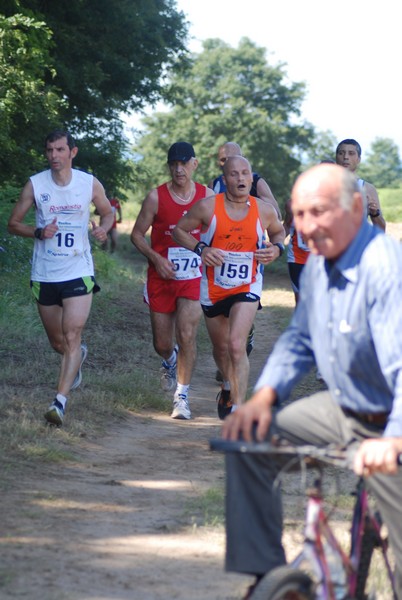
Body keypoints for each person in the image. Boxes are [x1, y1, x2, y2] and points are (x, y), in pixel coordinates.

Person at [221, 163, 402, 599]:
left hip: (393, 419)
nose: (305, 226)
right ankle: (270, 580)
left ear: (356, 208)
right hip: (345, 408)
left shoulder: (385, 267)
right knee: (250, 440)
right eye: (298, 214)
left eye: (318, 211)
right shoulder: (320, 264)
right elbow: (301, 338)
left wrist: (392, 440)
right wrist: (263, 397)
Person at [8, 129, 114, 426]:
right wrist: (39, 232)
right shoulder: (36, 185)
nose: (54, 156)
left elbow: (107, 213)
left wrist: (103, 229)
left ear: (72, 152)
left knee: (71, 333)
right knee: (60, 343)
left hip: (79, 270)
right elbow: (13, 224)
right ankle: (76, 356)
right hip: (44, 273)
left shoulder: (88, 183)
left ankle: (59, 402)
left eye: (59, 150)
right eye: (49, 150)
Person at [173, 155, 286, 420]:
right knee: (222, 348)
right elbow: (179, 231)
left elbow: (279, 233)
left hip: (248, 284)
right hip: (213, 287)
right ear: (225, 180)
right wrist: (201, 249)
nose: (240, 179)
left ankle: (238, 411)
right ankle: (227, 383)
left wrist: (276, 249)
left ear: (251, 178)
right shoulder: (206, 207)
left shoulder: (264, 209)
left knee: (236, 345)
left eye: (245, 173)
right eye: (234, 174)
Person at [130, 142, 213, 420]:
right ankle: (169, 360)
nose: (179, 169)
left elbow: (220, 231)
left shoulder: (207, 197)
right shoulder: (156, 197)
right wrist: (156, 258)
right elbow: (137, 235)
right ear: (169, 166)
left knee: (187, 334)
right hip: (161, 276)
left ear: (194, 164)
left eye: (184, 163)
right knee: (162, 343)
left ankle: (182, 396)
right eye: (173, 164)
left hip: (193, 277)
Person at [209, 141, 282, 218]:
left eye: (232, 158)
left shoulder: (256, 182)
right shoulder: (214, 184)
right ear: (218, 162)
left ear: (242, 158)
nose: (228, 163)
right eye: (223, 160)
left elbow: (276, 216)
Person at [335, 138, 386, 231]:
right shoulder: (324, 186)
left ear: (358, 159)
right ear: (336, 157)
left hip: (357, 243)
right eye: (341, 153)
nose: (346, 157)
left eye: (351, 153)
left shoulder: (367, 188)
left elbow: (381, 230)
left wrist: (374, 213)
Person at [283, 197, 310, 305]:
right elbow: (286, 226)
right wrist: (276, 244)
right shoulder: (292, 205)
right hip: (297, 259)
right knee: (300, 298)